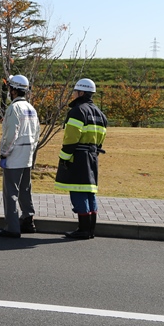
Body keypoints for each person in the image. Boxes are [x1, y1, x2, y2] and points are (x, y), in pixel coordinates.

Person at [55, 78, 108, 239]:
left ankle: (83, 230)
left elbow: (71, 138)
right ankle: (90, 229)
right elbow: (101, 138)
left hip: (78, 156)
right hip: (92, 156)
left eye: (75, 91)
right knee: (89, 191)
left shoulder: (78, 111)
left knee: (78, 191)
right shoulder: (100, 113)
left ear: (81, 92)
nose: (74, 94)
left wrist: (64, 158)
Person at [0, 74, 41, 238]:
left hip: (14, 155)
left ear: (13, 90)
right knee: (25, 189)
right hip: (27, 154)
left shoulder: (14, 108)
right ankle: (28, 220)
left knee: (11, 192)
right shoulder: (31, 108)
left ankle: (12, 227)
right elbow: (37, 133)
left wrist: (3, 153)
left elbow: (11, 134)